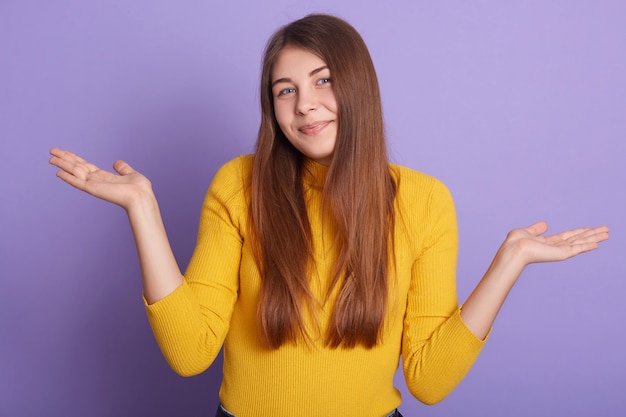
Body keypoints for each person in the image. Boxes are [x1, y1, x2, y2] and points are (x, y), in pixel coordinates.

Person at [48, 14, 608, 417]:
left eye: (323, 80)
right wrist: (142, 209)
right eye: (285, 90)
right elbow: (191, 352)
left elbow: (430, 382)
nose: (305, 104)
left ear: (357, 86)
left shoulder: (424, 200)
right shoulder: (238, 185)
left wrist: (509, 261)